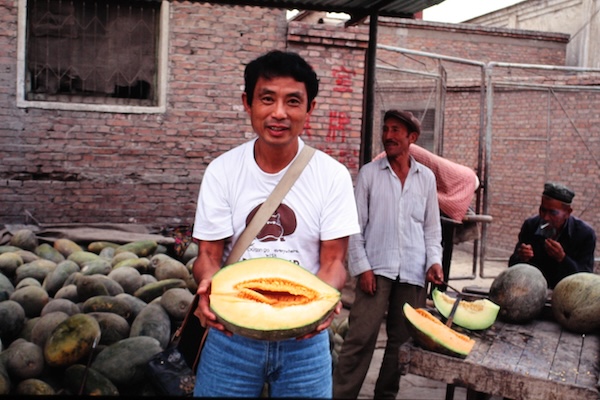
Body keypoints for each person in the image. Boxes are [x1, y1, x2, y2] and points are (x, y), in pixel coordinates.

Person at [190, 50, 360, 398]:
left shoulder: (332, 176)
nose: (279, 113)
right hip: (231, 336)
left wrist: (324, 301)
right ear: (247, 103)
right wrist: (208, 286)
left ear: (310, 108)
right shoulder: (222, 172)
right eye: (267, 99)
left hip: (305, 341)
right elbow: (208, 255)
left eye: (293, 101)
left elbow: (333, 262)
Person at [332, 109, 444, 399]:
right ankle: (341, 394)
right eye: (386, 129)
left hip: (413, 270)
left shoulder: (426, 179)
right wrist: (362, 268)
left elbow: (432, 229)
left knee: (401, 342)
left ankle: (386, 395)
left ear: (412, 138)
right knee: (360, 337)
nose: (388, 136)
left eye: (396, 130)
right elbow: (355, 227)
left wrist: (434, 261)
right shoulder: (370, 174)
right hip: (376, 270)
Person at [508, 182, 596, 289]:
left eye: (553, 213)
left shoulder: (584, 234)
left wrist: (562, 258)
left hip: (566, 292)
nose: (545, 217)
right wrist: (522, 257)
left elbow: (586, 278)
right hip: (532, 290)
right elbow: (512, 266)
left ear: (567, 212)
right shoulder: (531, 226)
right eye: (542, 210)